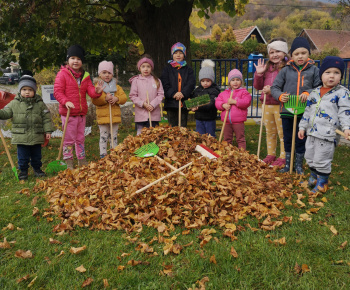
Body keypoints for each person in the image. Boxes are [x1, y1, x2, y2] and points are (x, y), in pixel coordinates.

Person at [298, 56, 350, 193]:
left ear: (341, 76)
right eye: (328, 72)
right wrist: (302, 127)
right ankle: (314, 178)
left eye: (336, 73)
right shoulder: (314, 93)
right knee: (310, 157)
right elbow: (307, 111)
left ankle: (322, 183)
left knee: (322, 159)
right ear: (321, 75)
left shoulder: (342, 93)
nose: (331, 76)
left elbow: (345, 112)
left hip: (327, 135)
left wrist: (346, 127)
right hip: (311, 133)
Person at [271, 37, 322, 174]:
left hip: (305, 112)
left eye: (303, 53)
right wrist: (280, 96)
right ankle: (288, 165)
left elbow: (319, 88)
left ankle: (298, 165)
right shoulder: (285, 71)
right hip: (287, 110)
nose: (300, 56)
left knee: (301, 138)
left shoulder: (314, 70)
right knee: (288, 138)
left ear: (309, 54)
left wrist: (308, 93)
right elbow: (274, 87)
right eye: (297, 53)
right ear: (291, 55)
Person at [54, 45, 104, 169]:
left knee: (80, 138)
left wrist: (97, 91)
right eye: (73, 58)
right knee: (69, 139)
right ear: (68, 60)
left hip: (81, 114)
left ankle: (81, 159)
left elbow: (91, 91)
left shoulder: (85, 76)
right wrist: (65, 101)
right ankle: (68, 161)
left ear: (82, 61)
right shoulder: (62, 74)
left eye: (79, 59)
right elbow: (57, 92)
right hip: (68, 113)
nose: (76, 61)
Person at [0, 75, 54, 180]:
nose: (27, 92)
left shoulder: (40, 104)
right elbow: (6, 113)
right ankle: (23, 171)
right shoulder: (14, 103)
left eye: (30, 89)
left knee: (36, 156)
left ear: (34, 91)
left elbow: (46, 118)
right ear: (20, 90)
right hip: (21, 136)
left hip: (36, 135)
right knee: (23, 157)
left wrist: (48, 130)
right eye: (24, 89)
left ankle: (37, 169)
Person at [253, 38, 289, 166]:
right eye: (271, 52)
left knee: (282, 132)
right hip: (267, 104)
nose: (274, 55)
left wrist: (272, 91)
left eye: (278, 51)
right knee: (270, 131)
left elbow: (289, 87)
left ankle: (284, 156)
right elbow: (258, 86)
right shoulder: (267, 68)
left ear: (284, 52)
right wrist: (259, 74)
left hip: (281, 105)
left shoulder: (288, 68)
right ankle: (271, 154)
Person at [92, 61, 127, 158]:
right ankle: (103, 154)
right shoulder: (97, 86)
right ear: (99, 74)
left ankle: (114, 153)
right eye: (104, 72)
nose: (107, 75)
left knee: (113, 136)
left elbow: (124, 97)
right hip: (103, 117)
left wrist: (117, 99)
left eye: (109, 73)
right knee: (103, 136)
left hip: (114, 117)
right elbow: (95, 100)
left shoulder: (117, 87)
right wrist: (104, 98)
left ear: (112, 74)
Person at [160, 42, 196, 127]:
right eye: (176, 53)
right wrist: (173, 93)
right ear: (172, 55)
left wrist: (183, 93)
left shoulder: (188, 70)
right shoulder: (167, 69)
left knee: (182, 126)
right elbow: (165, 83)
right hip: (171, 103)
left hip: (184, 103)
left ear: (184, 55)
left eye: (181, 53)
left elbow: (191, 83)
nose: (178, 55)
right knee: (172, 127)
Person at [215, 69, 252, 149]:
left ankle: (242, 154)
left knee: (240, 138)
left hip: (238, 121)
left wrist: (235, 101)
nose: (235, 82)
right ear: (229, 82)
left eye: (238, 80)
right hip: (227, 121)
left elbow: (246, 102)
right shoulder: (224, 93)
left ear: (241, 82)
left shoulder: (244, 92)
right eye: (233, 80)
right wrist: (223, 105)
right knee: (227, 139)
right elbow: (217, 102)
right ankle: (228, 153)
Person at [129, 55, 164, 135]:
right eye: (143, 66)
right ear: (139, 68)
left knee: (153, 135)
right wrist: (143, 104)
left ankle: (152, 148)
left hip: (153, 114)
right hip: (141, 115)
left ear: (151, 68)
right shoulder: (136, 81)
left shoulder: (156, 81)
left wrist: (152, 104)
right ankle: (142, 148)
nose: (146, 69)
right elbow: (133, 96)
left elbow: (160, 95)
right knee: (141, 136)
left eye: (148, 66)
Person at [190, 59, 220, 137]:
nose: (205, 83)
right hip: (199, 118)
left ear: (212, 80)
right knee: (200, 135)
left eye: (208, 81)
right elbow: (192, 100)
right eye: (203, 81)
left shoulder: (214, 90)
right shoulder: (197, 90)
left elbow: (211, 103)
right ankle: (201, 148)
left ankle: (210, 148)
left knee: (210, 136)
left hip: (209, 118)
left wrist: (198, 106)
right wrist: (191, 106)